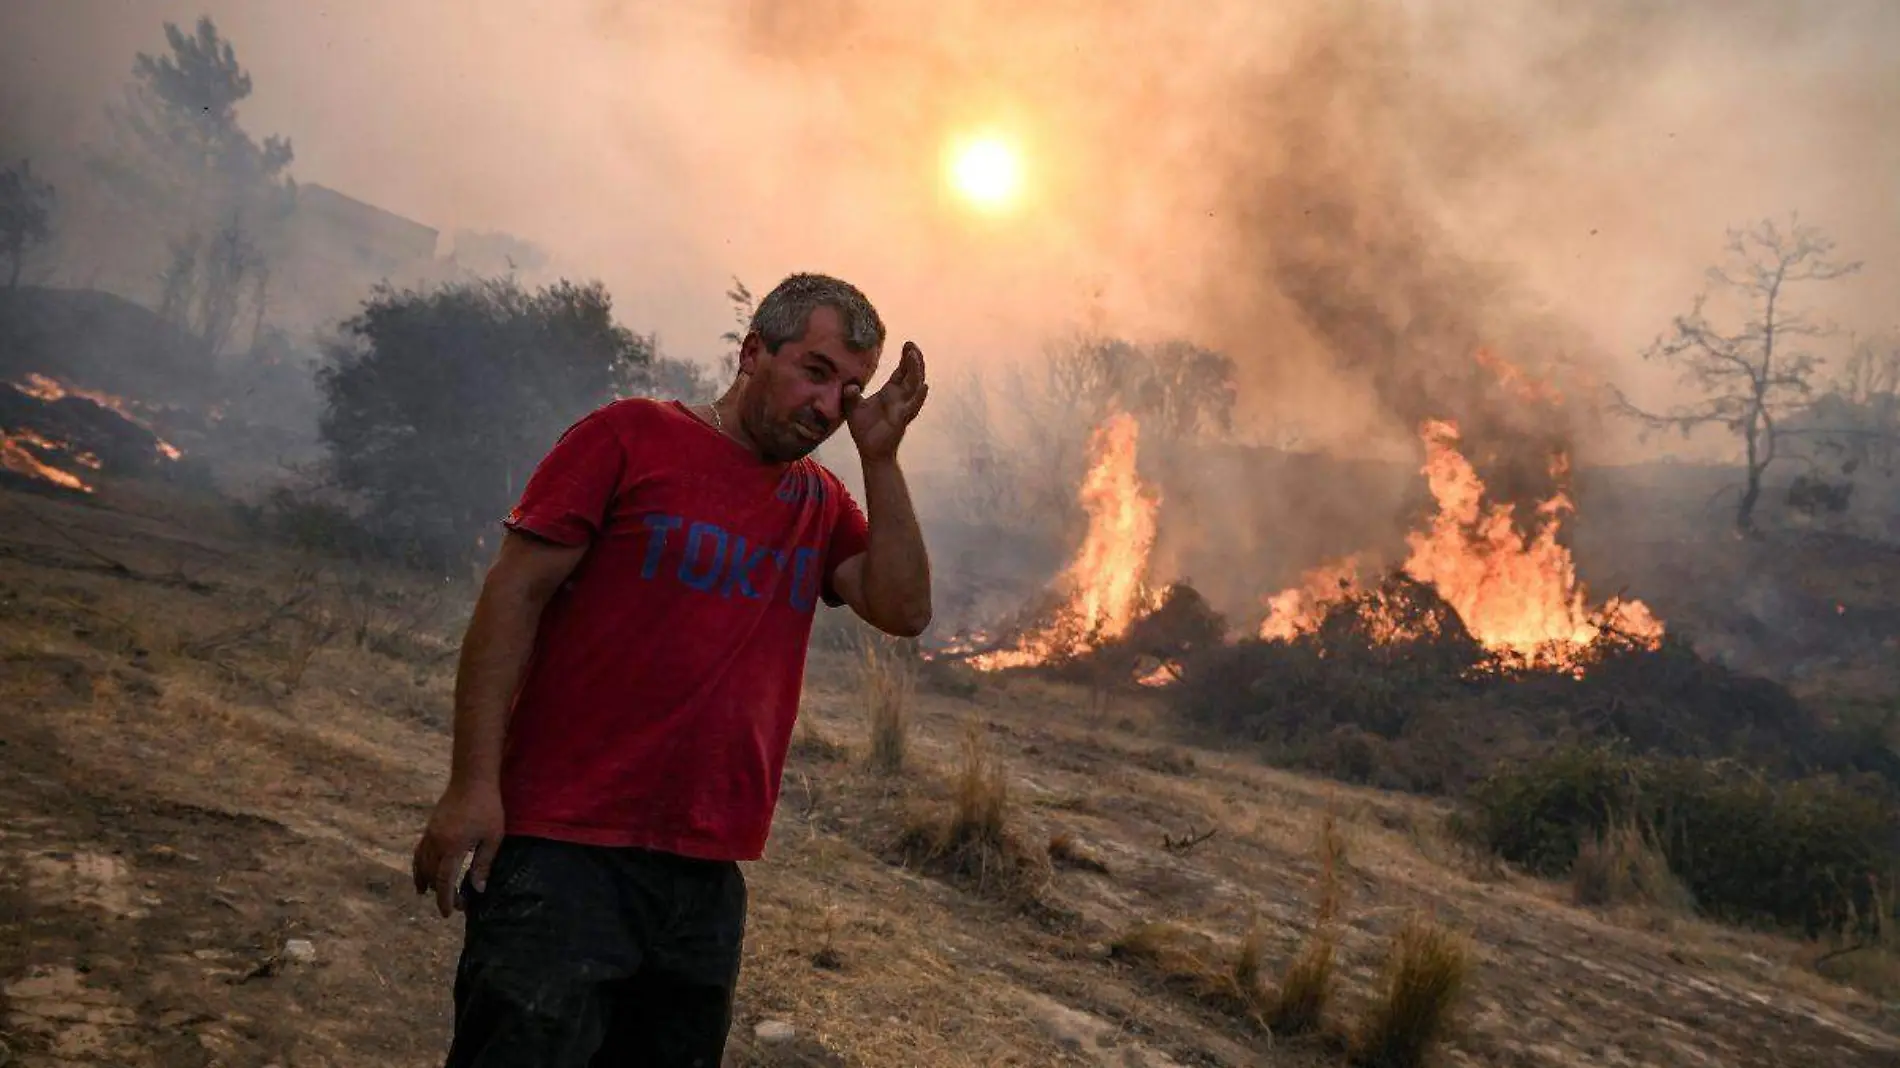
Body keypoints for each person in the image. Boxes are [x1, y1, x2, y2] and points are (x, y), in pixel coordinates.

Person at [410, 272, 933, 1067]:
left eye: (851, 390)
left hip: (705, 875)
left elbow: (904, 609)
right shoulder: (628, 437)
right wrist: (471, 784)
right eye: (816, 372)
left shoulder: (820, 502)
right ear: (753, 350)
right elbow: (512, 598)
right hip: (562, 851)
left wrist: (882, 461)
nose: (831, 407)